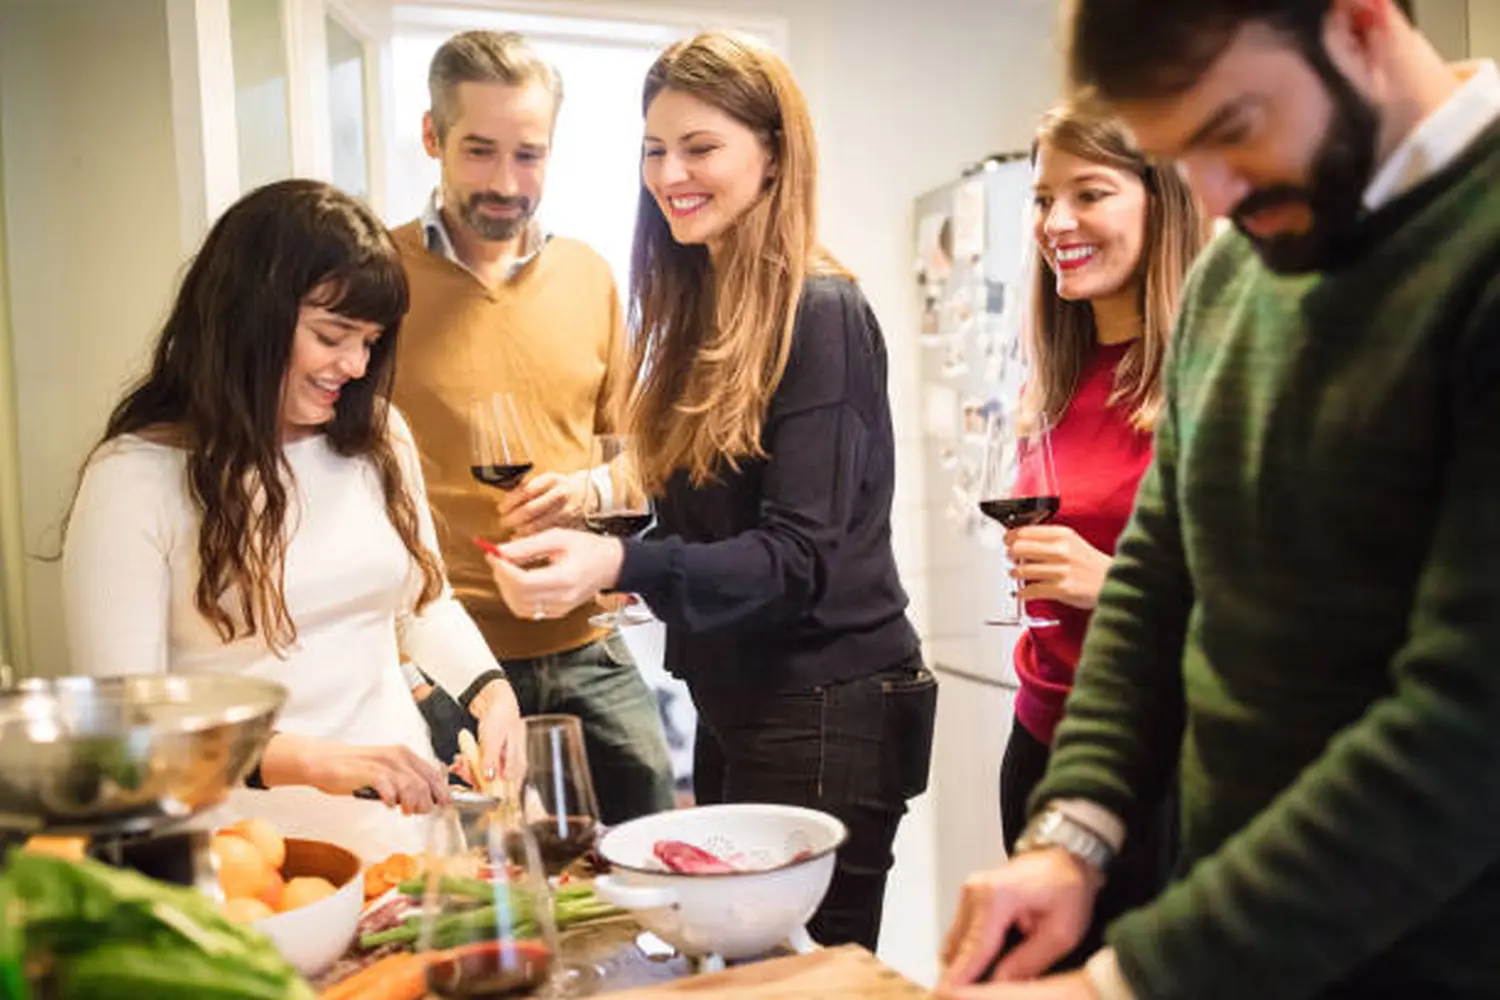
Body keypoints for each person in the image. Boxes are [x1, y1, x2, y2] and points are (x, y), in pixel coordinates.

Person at [938, 1, 1500, 998]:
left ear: (1359, 25)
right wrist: (1074, 834)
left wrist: (1135, 975)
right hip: (1235, 935)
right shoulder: (1235, 274)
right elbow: (1159, 577)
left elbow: (1469, 723)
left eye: (1232, 132)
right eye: (1179, 155)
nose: (1218, 198)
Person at [481, 30, 938, 951]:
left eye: (701, 147)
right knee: (736, 970)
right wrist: (619, 535)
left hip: (828, 706)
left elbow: (797, 558)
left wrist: (618, 557)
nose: (670, 173)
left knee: (802, 977)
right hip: (741, 697)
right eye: (655, 149)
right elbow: (720, 509)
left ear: (773, 158)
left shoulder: (822, 312)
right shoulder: (709, 305)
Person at [62, 179, 523, 859]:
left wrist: (491, 693)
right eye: (332, 336)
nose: (355, 365)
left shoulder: (376, 437)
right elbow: (123, 733)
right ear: (251, 319)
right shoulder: (133, 479)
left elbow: (422, 606)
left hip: (408, 843)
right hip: (249, 859)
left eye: (369, 341)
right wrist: (317, 762)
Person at [386, 29, 675, 825]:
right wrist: (392, 657)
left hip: (587, 639)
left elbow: (640, 460)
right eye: (480, 151)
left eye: (529, 154)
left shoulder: (589, 275)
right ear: (431, 138)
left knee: (650, 858)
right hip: (448, 660)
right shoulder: (378, 277)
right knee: (481, 902)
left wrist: (585, 492)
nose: (507, 182)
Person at [996, 104, 1209, 973]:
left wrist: (1107, 583)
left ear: (1164, 202)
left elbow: (1260, 615)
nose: (1056, 224)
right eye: (1045, 198)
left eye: (1091, 193)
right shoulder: (1056, 378)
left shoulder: (1209, 377)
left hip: (1160, 769)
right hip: (1041, 742)